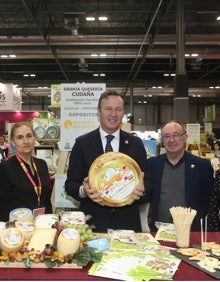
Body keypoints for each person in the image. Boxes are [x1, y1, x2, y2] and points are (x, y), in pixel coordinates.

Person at [65, 89, 150, 232]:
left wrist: (142, 190)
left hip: (128, 224)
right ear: (98, 111)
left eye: (118, 109)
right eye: (108, 109)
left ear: (123, 113)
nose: (113, 114)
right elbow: (70, 183)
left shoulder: (136, 144)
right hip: (93, 224)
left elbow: (148, 181)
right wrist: (83, 191)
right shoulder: (82, 143)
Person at [146, 120, 214, 231]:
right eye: (167, 136)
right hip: (159, 231)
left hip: (192, 232)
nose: (171, 140)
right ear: (162, 140)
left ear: (185, 138)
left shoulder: (202, 166)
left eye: (176, 135)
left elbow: (209, 200)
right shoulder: (152, 164)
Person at [0, 121, 52, 222]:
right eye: (20, 137)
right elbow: (2, 204)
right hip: (19, 226)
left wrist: (50, 221)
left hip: (42, 223)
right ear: (13, 142)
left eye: (29, 136)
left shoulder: (42, 164)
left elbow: (46, 199)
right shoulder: (5, 167)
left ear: (34, 138)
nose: (26, 141)